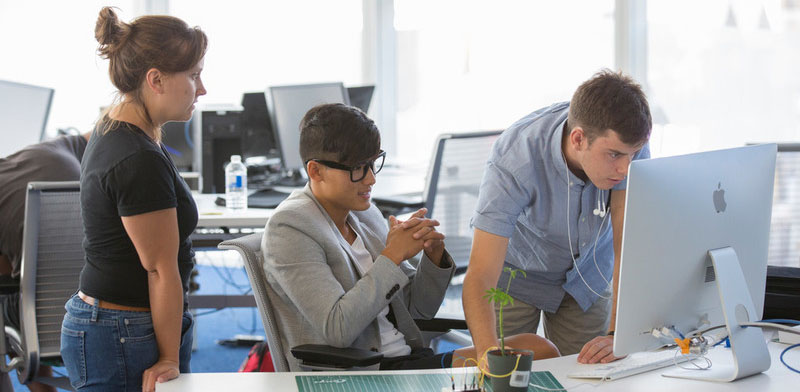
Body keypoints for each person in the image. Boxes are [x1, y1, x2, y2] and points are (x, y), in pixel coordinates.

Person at [261, 103, 559, 372]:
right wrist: (392, 256)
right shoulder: (291, 227)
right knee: (530, 356)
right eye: (357, 169)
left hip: (408, 360)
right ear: (316, 171)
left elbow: (419, 310)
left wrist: (433, 258)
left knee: (538, 349)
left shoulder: (363, 214)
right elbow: (337, 329)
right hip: (367, 370)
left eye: (373, 163)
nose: (370, 179)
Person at [59, 7, 206, 392]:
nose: (202, 89)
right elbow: (159, 268)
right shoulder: (137, 156)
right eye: (194, 76)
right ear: (155, 79)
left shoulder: (116, 126)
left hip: (120, 326)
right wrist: (170, 357)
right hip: (124, 334)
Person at [463, 70, 652, 366]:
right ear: (578, 139)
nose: (626, 169)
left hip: (587, 276)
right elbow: (480, 274)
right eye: (614, 155)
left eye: (634, 154)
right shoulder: (516, 157)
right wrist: (486, 354)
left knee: (591, 374)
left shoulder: (627, 145)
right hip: (520, 275)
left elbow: (627, 245)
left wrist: (619, 334)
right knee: (507, 374)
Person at [0, 133, 90, 392]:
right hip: (100, 320)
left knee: (19, 291)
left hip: (39, 325)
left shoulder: (20, 171)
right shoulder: (105, 181)